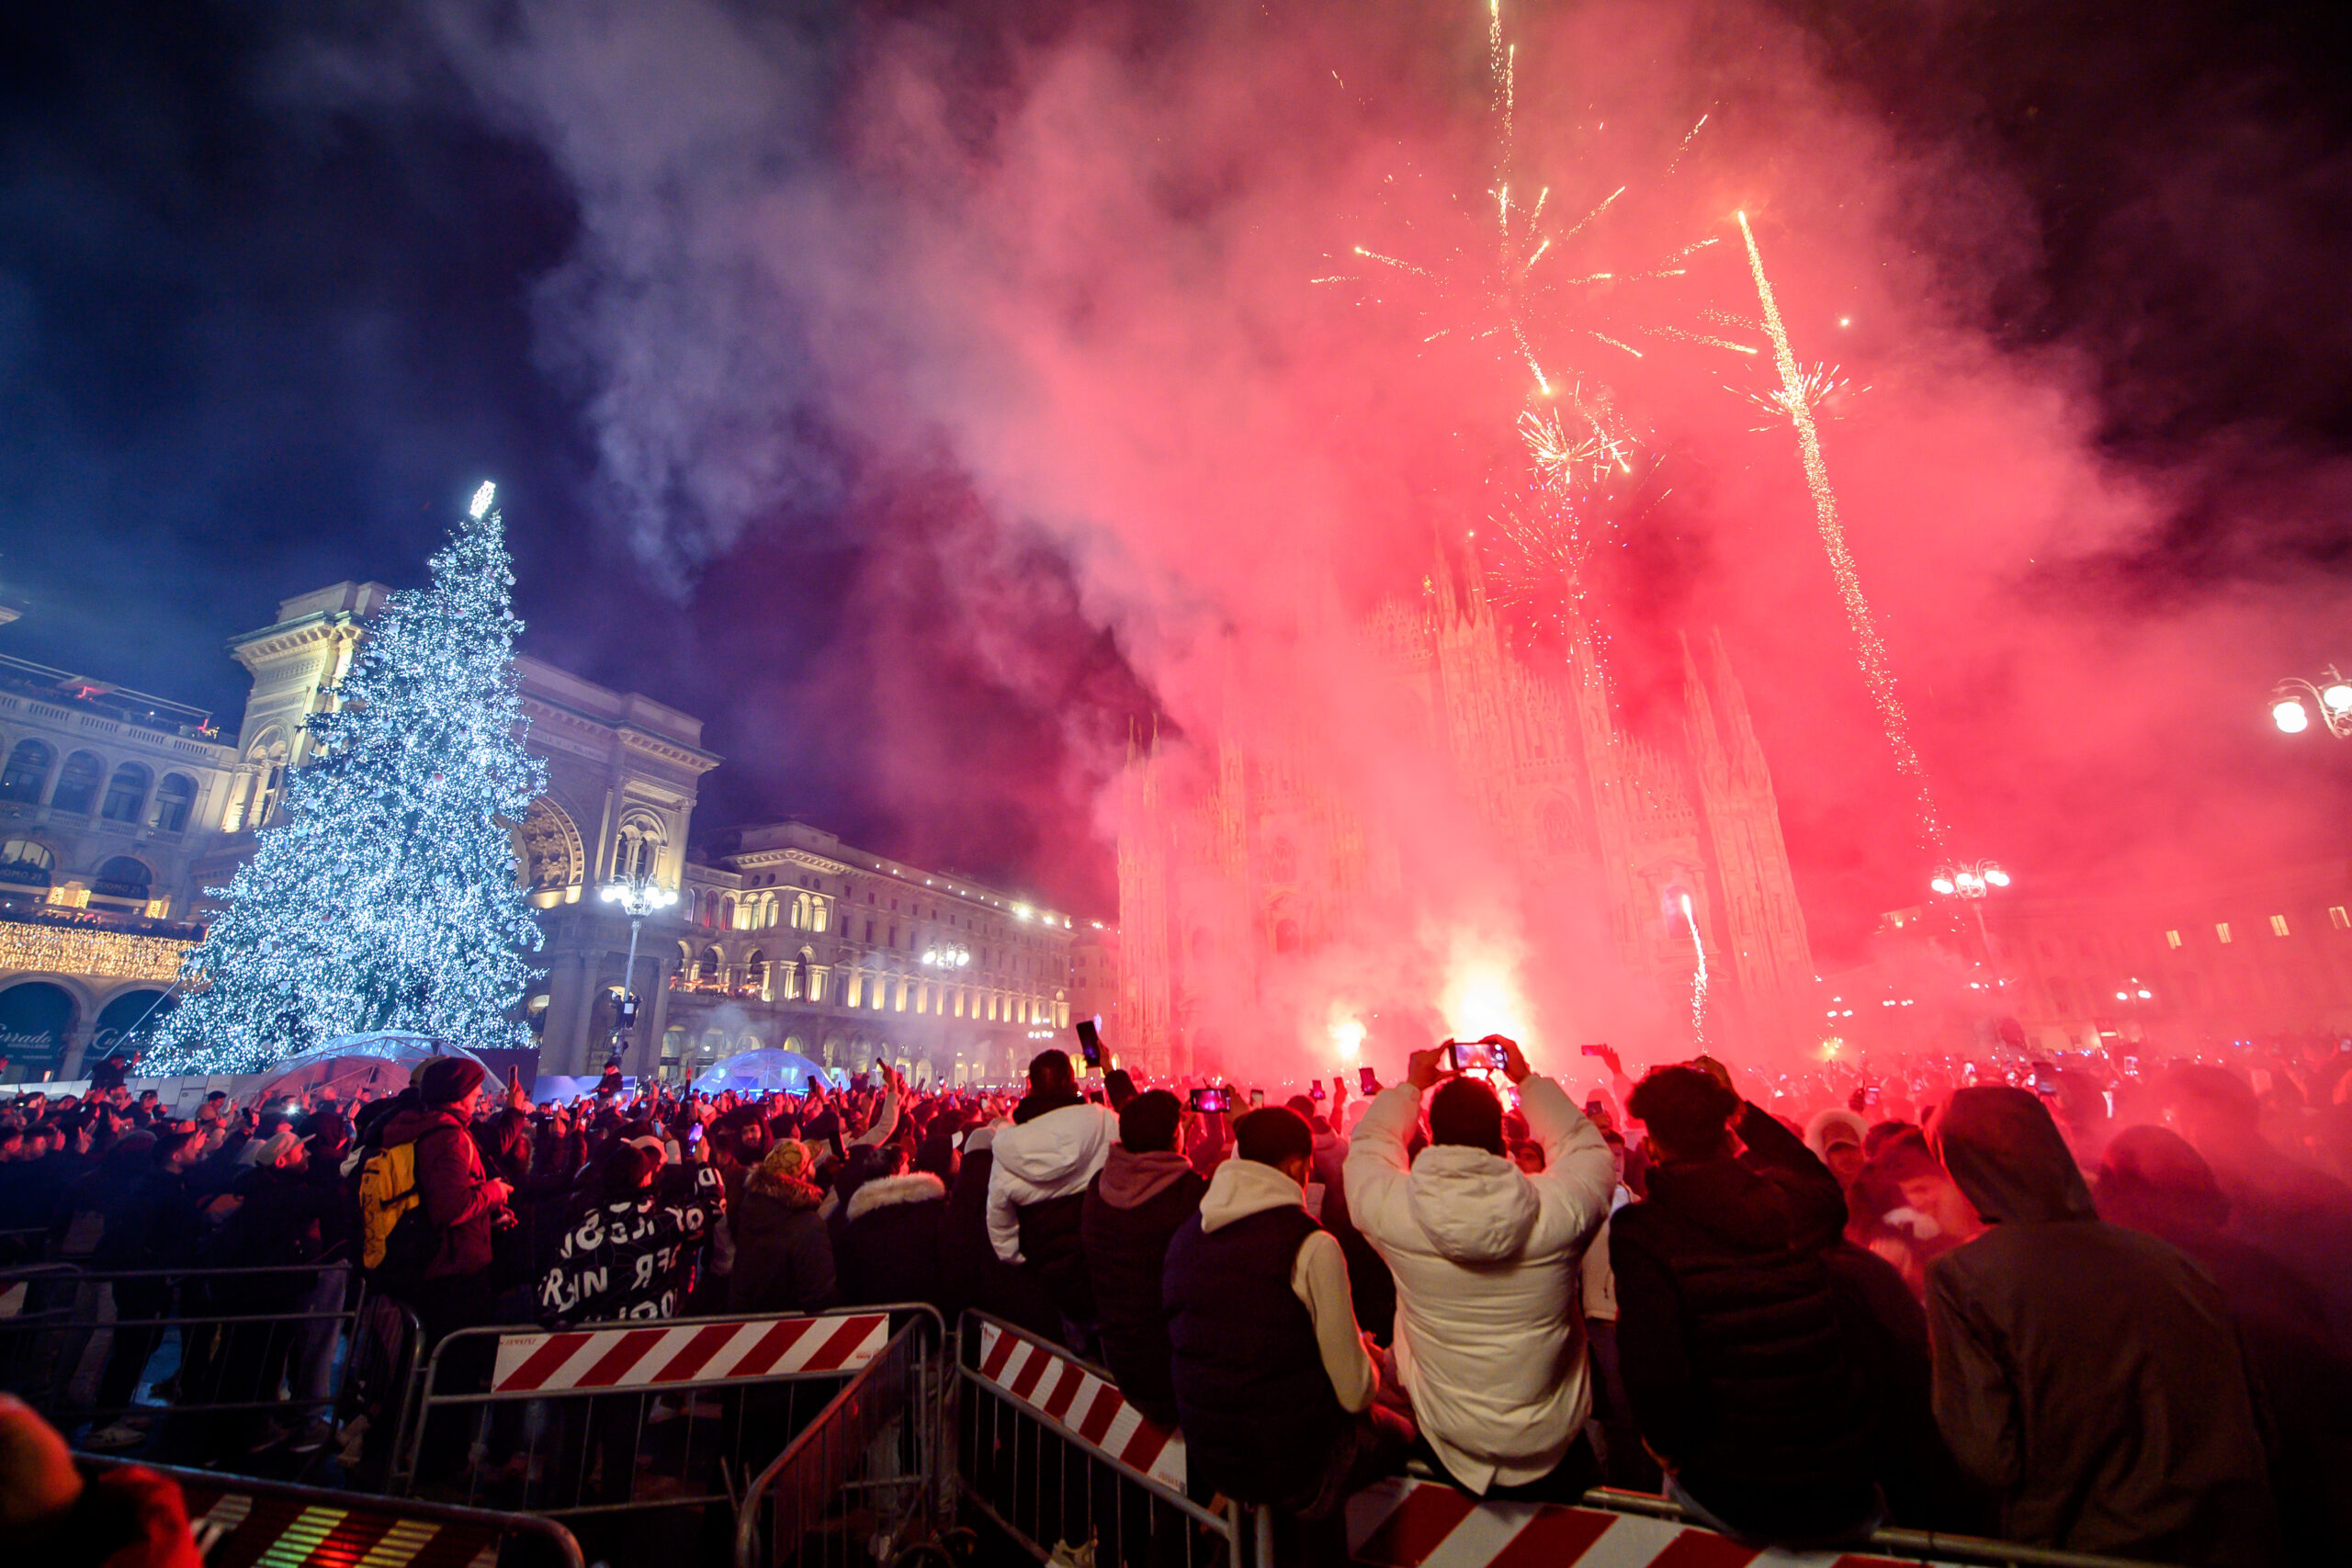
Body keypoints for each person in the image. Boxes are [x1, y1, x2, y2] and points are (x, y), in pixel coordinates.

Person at [1927, 1087, 2278, 1565]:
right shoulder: (2169, 1260)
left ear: (1963, 1170)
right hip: (2222, 1536)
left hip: (2082, 1545)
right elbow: (2249, 1406)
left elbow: (1989, 1453)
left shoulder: (1965, 1278)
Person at [1610, 1065, 1880, 1547]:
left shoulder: (1644, 1231)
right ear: (1728, 1135)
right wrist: (1742, 1109)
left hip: (1730, 1495)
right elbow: (1816, 1181)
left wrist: (1670, 1449)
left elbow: (1656, 1368)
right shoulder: (1790, 1202)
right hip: (1838, 1481)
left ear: (1652, 1143)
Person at [1344, 1038, 1614, 1499]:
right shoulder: (1559, 1209)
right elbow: (1584, 1148)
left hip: (1448, 1443)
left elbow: (1369, 1148)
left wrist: (1410, 1087)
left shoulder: (1395, 1212)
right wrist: (1526, 1078)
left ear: (1431, 1131)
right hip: (1552, 1443)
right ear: (1503, 1135)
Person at [1163, 1107, 1407, 1564]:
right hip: (1289, 1462)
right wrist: (1369, 1359)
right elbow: (1354, 1393)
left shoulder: (1188, 1233)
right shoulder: (1311, 1244)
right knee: (1400, 1432)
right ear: (1299, 1167)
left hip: (1211, 1451)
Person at [1078, 1090, 1205, 1429]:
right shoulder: (1192, 1198)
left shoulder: (1098, 1188)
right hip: (1174, 1368)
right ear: (1174, 1135)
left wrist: (1176, 1144)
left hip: (1120, 1358)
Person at [986, 1051, 1118, 1338]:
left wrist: (1016, 1258)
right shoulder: (1103, 1121)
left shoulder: (1009, 1143)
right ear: (1072, 1082)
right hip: (1102, 1263)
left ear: (1030, 1086)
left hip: (1046, 1273)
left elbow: (998, 1216)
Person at [729, 1139, 836, 1314]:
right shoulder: (809, 1227)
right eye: (810, 1164)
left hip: (747, 1319)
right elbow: (820, 1296)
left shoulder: (751, 1209)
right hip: (788, 1330)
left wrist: (824, 1174)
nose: (814, 1167)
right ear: (802, 1175)